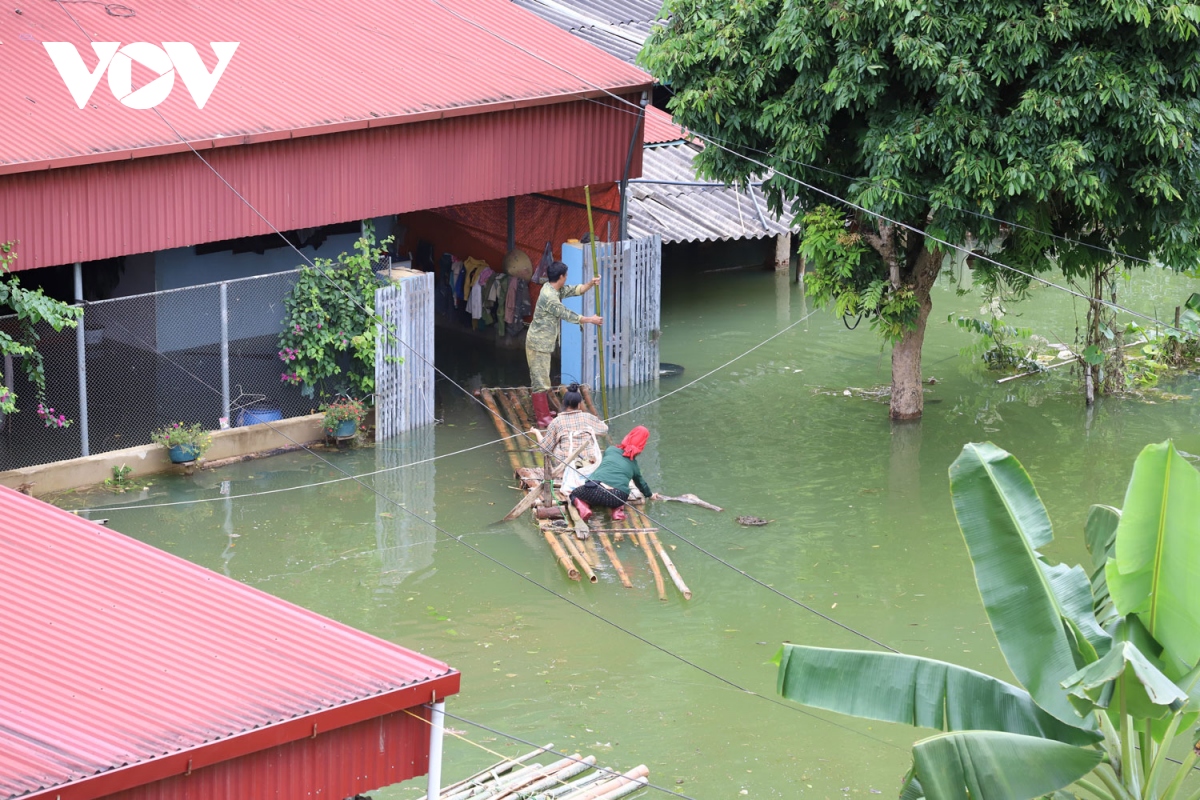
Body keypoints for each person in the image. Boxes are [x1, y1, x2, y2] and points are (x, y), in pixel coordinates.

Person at [526, 260, 602, 428]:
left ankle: (545, 413)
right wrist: (591, 319)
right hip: (538, 343)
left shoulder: (553, 288)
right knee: (540, 380)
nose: (567, 278)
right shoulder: (550, 297)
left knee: (544, 377)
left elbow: (573, 290)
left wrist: (590, 283)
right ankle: (542, 418)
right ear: (561, 276)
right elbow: (566, 314)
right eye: (566, 275)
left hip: (543, 342)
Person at [569, 425, 660, 523]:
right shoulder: (634, 466)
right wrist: (650, 495)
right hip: (617, 497)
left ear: (628, 437)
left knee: (573, 494)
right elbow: (641, 484)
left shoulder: (610, 450)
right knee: (621, 493)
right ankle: (617, 510)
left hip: (594, 490)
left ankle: (584, 508)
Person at [540, 383, 608, 476]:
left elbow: (545, 449)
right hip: (589, 463)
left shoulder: (556, 422)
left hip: (568, 465)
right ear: (579, 404)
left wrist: (536, 432)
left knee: (554, 444)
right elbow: (604, 429)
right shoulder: (587, 417)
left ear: (563, 403)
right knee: (590, 439)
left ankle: (563, 473)